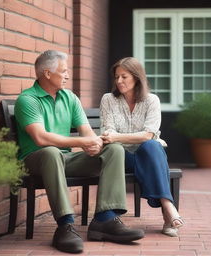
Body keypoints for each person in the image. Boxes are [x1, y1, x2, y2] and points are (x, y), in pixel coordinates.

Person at [14, 50, 144, 254]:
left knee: (114, 150)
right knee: (51, 152)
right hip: (36, 160)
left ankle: (105, 219)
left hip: (65, 159)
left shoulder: (69, 98)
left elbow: (87, 132)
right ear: (47, 74)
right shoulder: (28, 100)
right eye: (64, 71)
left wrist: (94, 143)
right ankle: (65, 225)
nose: (67, 76)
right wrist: (81, 142)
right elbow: (41, 138)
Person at [100, 57, 184, 237]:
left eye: (124, 77)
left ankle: (167, 210)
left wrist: (118, 137)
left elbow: (148, 134)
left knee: (151, 146)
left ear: (137, 78)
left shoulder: (152, 100)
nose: (119, 81)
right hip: (121, 157)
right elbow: (109, 134)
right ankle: (168, 209)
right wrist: (118, 138)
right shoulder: (108, 99)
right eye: (116, 77)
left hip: (149, 155)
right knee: (145, 148)